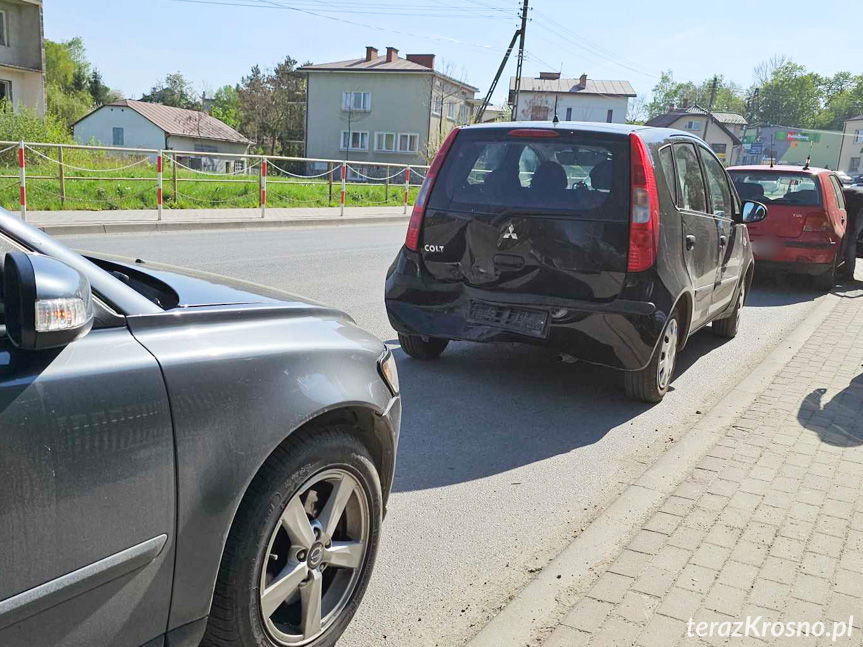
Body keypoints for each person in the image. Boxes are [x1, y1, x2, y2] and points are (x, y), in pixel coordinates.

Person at [841, 186, 863, 280]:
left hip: (859, 206)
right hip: (858, 203)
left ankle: (848, 273)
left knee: (851, 239)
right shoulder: (844, 191)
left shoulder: (833, 193)